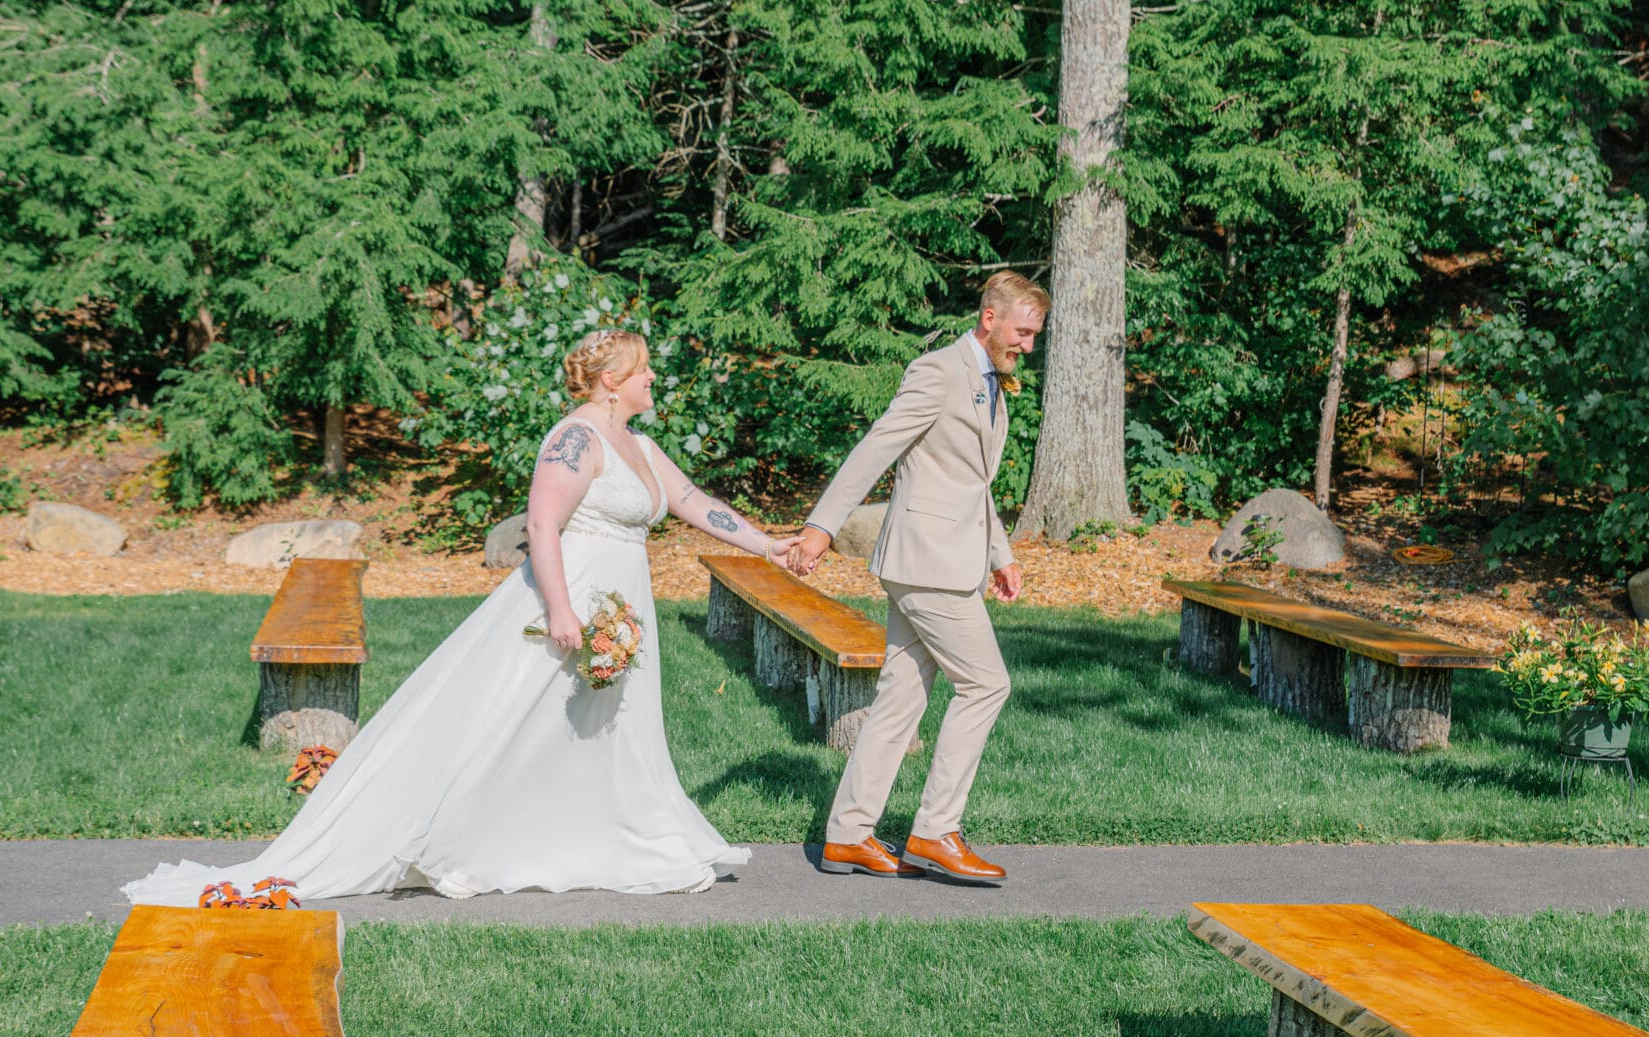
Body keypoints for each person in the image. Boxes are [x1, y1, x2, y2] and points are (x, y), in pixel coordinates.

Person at [125, 328, 792, 904]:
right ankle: (460, 839)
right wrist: (562, 609)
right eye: (643, 368)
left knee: (601, 724)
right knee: (514, 720)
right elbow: (542, 524)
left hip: (622, 605)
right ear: (613, 381)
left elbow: (693, 501)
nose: (653, 378)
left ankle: (611, 830)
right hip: (570, 598)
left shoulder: (639, 446)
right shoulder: (575, 438)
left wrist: (769, 545)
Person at [784, 271, 1044, 885]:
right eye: (1021, 332)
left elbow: (971, 482)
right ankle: (936, 829)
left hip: (943, 560)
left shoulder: (990, 381)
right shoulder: (937, 371)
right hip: (929, 563)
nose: (1028, 345)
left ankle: (848, 836)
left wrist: (1000, 555)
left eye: (1034, 335)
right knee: (986, 685)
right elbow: (875, 449)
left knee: (900, 700)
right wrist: (821, 528)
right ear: (989, 318)